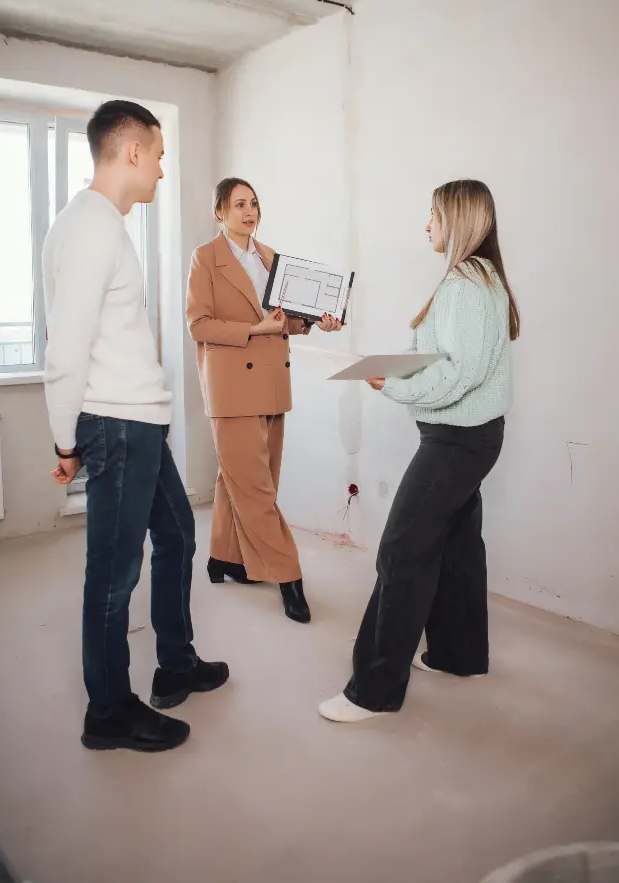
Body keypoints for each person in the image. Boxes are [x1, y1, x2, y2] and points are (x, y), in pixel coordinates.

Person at [43, 99, 228, 753]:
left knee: (177, 535)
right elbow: (64, 348)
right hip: (117, 425)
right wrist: (65, 441)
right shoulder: (92, 226)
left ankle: (175, 660)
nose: (161, 167)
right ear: (132, 152)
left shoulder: (101, 224)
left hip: (138, 421)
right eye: (159, 153)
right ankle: (109, 711)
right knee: (115, 572)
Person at [319, 179, 519, 722]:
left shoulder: (464, 282)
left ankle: (375, 690)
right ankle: (458, 655)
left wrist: (393, 385)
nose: (425, 223)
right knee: (456, 545)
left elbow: (458, 372)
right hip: (473, 436)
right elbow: (442, 354)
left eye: (432, 214)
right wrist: (389, 365)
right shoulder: (480, 278)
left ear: (458, 219)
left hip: (457, 439)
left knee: (402, 551)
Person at [186, 178, 342, 623]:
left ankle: (224, 558)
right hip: (232, 384)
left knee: (245, 478)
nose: (249, 211)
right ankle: (290, 577)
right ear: (220, 212)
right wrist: (254, 330)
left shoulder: (273, 258)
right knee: (255, 490)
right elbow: (199, 324)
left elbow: (286, 321)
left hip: (272, 381)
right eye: (238, 204)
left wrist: (315, 322)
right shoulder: (206, 258)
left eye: (253, 203)